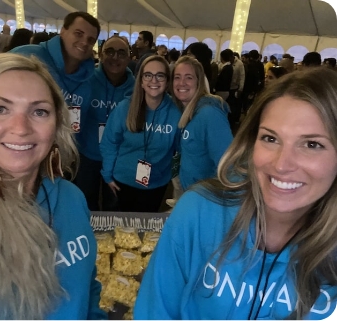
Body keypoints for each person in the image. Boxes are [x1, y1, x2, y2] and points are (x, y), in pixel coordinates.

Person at [134, 67, 337, 320]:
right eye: (270, 139)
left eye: (312, 144)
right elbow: (154, 312)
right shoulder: (199, 213)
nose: (282, 164)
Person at [0, 53, 106, 320]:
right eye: (0, 109)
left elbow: (89, 286)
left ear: (56, 124)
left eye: (39, 111)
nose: (21, 128)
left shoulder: (71, 198)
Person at [100, 55, 181, 212]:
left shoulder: (176, 112)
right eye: (148, 75)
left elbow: (181, 149)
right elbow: (109, 143)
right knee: (119, 232)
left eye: (160, 75)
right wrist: (107, 175)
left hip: (156, 184)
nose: (154, 81)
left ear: (167, 80)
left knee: (144, 231)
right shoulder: (125, 108)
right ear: (141, 80)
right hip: (122, 181)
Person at [10, 12, 100, 135]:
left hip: (62, 149)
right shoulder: (27, 55)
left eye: (90, 40)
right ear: (63, 31)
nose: (84, 43)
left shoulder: (88, 80)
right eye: (78, 34)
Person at [74, 35, 135, 211]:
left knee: (115, 206)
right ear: (100, 55)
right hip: (87, 154)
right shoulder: (86, 80)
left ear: (129, 58)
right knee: (85, 204)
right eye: (110, 51)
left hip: (119, 158)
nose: (115, 57)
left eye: (121, 53)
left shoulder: (136, 88)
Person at [171, 55, 233, 192]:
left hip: (204, 199)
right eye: (177, 77)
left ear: (199, 82)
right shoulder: (187, 111)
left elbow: (228, 166)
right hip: (189, 194)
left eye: (189, 77)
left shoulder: (210, 114)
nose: (182, 82)